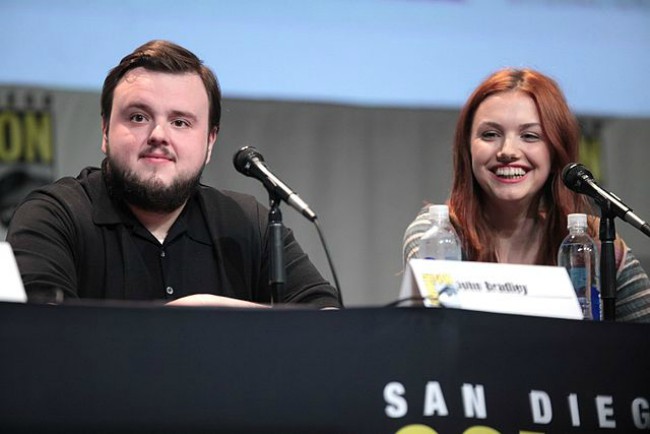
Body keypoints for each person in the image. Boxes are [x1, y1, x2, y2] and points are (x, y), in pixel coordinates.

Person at [6, 40, 341, 309]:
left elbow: (327, 319)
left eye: (180, 122)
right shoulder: (54, 215)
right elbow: (42, 338)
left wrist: (217, 312)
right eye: (138, 117)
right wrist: (174, 327)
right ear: (105, 131)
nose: (159, 135)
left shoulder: (247, 222)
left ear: (210, 142)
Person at [402, 68, 650, 322]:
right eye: (490, 134)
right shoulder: (437, 234)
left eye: (530, 136)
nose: (508, 151)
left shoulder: (594, 239)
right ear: (467, 149)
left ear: (555, 151)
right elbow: (433, 341)